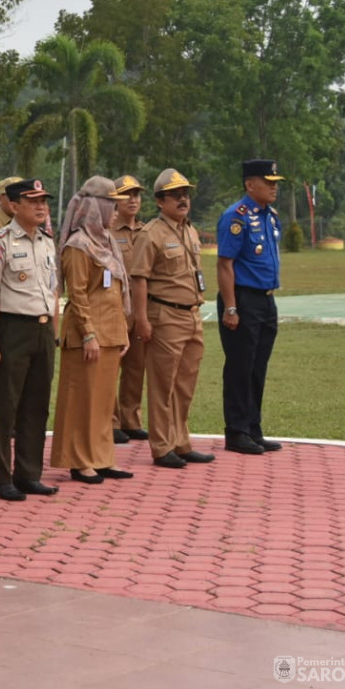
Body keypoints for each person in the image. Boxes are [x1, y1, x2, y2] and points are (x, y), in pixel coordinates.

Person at [129, 169, 216, 469]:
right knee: (162, 384)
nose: (183, 199)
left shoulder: (189, 230)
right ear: (159, 201)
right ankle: (162, 446)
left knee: (185, 384)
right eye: (175, 195)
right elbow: (138, 279)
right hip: (164, 315)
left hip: (192, 314)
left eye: (186, 194)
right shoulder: (150, 234)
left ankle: (181, 441)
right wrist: (142, 319)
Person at [0, 178, 60, 501]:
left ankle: (29, 474)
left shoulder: (46, 241)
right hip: (13, 328)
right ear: (14, 206)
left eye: (44, 200)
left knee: (36, 406)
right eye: (33, 201)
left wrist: (53, 330)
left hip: (42, 328)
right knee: (7, 407)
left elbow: (53, 289)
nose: (41, 206)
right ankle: (1, 478)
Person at [50, 177, 134, 484]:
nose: (117, 211)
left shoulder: (107, 242)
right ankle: (79, 459)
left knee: (102, 402)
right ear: (96, 208)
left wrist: (122, 330)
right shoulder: (78, 245)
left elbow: (119, 288)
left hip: (110, 331)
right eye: (112, 205)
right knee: (82, 399)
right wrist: (88, 333)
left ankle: (101, 457)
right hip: (88, 334)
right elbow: (78, 293)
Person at [217, 159, 286, 455]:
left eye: (275, 182)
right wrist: (231, 307)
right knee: (240, 367)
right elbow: (224, 264)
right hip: (243, 298)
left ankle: (253, 428)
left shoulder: (270, 216)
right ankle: (236, 431)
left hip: (267, 299)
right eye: (267, 181)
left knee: (258, 367)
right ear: (249, 184)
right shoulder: (237, 217)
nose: (273, 187)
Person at [110, 175, 150, 444]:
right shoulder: (109, 231)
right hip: (115, 307)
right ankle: (111, 421)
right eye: (127, 195)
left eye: (136, 194)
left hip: (140, 307)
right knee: (111, 367)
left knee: (136, 367)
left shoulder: (146, 231)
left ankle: (130, 419)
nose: (133, 199)